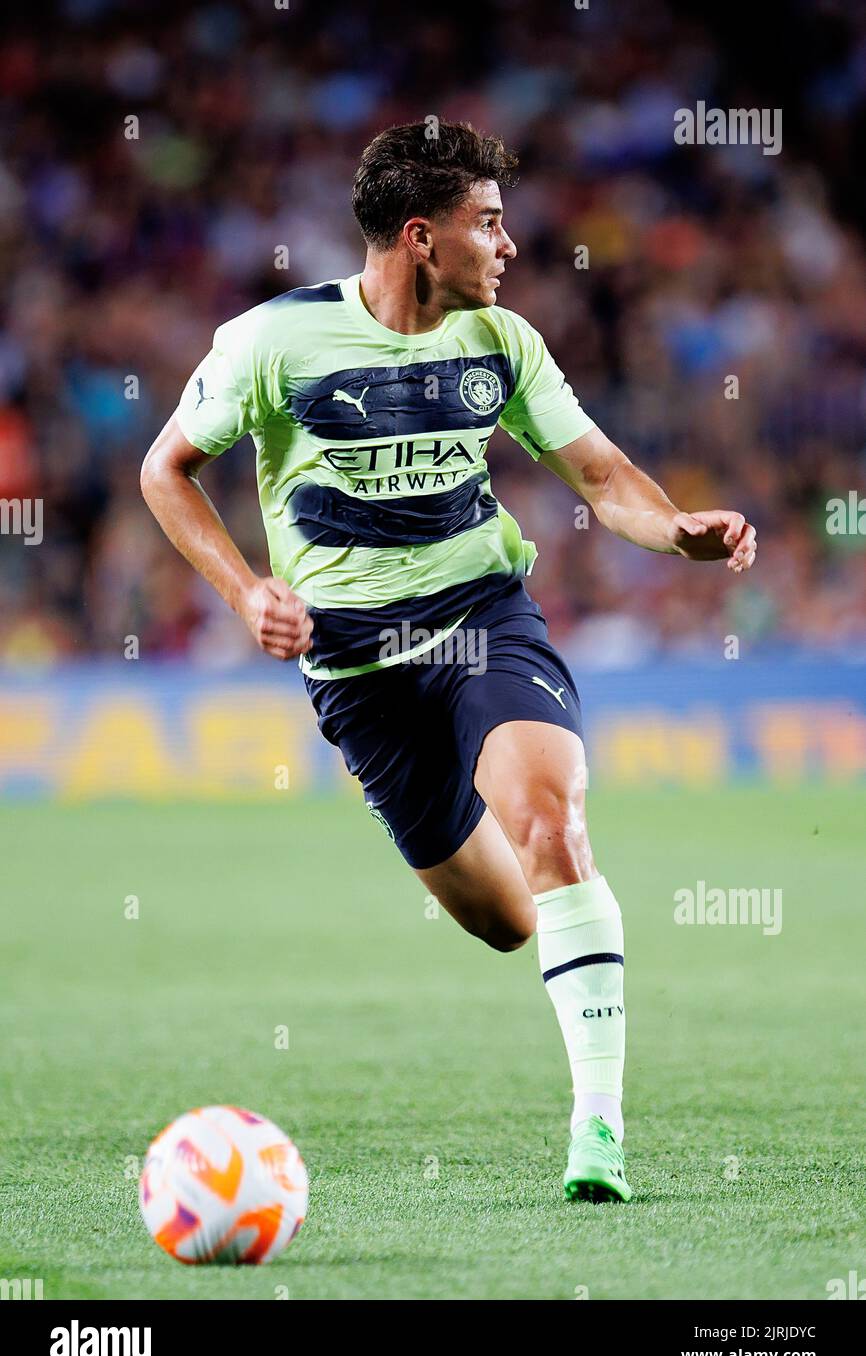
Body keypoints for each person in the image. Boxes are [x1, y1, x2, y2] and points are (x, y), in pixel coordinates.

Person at [141, 121, 757, 1203]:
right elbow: (166, 471)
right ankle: (559, 922)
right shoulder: (269, 344)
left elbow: (600, 474)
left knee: (551, 823)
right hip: (356, 674)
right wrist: (246, 591)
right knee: (506, 919)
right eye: (488, 224)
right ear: (421, 238)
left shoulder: (502, 343)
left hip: (482, 619)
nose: (510, 245)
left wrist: (675, 531)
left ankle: (597, 1133)